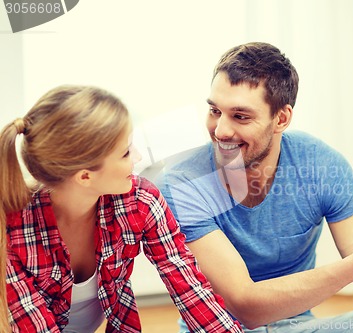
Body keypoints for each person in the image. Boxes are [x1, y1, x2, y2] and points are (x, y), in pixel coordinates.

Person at [153, 42, 353, 333]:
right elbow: (245, 306)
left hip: (297, 328)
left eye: (240, 116)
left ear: (281, 118)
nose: (220, 130)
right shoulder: (182, 182)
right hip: (221, 330)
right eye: (215, 111)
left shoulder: (322, 165)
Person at [0, 85, 243, 333]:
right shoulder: (11, 226)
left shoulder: (140, 200)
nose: (137, 158)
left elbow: (188, 285)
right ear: (85, 177)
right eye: (126, 152)